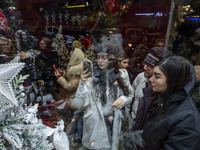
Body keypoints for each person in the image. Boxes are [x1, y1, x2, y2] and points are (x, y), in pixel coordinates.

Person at [70, 42, 133, 150]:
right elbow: (78, 103)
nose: (100, 61)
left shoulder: (122, 75)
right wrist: (82, 83)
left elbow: (131, 95)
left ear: (111, 59)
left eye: (104, 57)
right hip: (95, 125)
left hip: (113, 123)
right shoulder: (92, 77)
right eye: (98, 57)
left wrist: (123, 99)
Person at [133, 56, 200, 150]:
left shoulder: (187, 119)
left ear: (174, 80)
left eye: (157, 76)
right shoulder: (157, 99)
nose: (151, 79)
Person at [131, 47, 165, 119]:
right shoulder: (140, 77)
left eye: (149, 65)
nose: (145, 68)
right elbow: (131, 95)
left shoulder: (161, 87)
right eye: (145, 63)